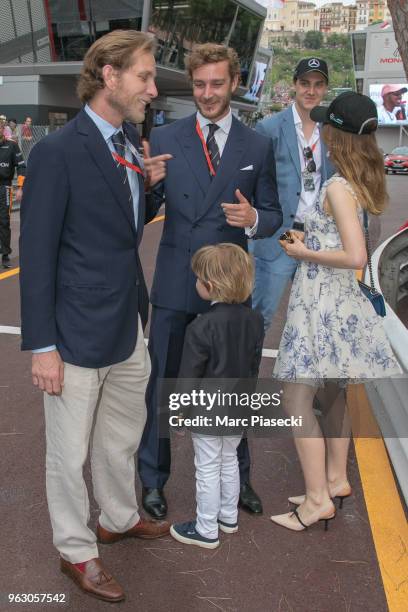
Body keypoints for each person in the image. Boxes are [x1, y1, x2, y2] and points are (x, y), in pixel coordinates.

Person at [19, 30, 173, 603]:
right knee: (69, 452)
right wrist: (42, 346)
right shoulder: (57, 152)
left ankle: (117, 515)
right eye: (144, 77)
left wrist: (149, 189)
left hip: (127, 325)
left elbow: (119, 228)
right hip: (74, 334)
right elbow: (36, 255)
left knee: (120, 437)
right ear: (109, 76)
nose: (152, 89)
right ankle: (77, 551)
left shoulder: (129, 143)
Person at [138, 43, 282, 520]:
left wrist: (254, 218)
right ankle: (154, 480)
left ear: (234, 83)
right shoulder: (164, 138)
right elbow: (141, 215)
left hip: (229, 291)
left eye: (217, 83)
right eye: (199, 84)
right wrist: (149, 188)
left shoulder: (257, 145)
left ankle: (237, 479)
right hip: (178, 282)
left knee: (235, 386)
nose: (207, 93)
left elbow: (274, 214)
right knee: (162, 384)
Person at [270, 92, 401, 531]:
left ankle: (315, 501)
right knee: (335, 391)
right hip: (343, 302)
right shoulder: (362, 181)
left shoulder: (337, 187)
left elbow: (355, 255)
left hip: (322, 301)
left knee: (295, 396)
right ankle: (335, 478)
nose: (321, 129)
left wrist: (304, 251)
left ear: (336, 135)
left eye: (327, 125)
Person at [170, 244, 264, 549]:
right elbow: (252, 367)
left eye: (198, 278)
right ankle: (227, 516)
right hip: (237, 406)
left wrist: (179, 411)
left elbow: (188, 377)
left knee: (207, 467)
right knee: (229, 460)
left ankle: (206, 528)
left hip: (207, 410)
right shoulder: (254, 321)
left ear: (209, 286)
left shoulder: (201, 326)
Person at [250, 58, 334, 331]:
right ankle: (245, 373)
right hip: (283, 235)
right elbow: (255, 185)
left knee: (312, 319)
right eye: (305, 83)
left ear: (325, 89)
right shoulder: (270, 128)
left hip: (316, 239)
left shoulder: (332, 131)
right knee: (260, 315)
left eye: (318, 85)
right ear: (294, 86)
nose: (311, 91)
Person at [0, 121, 25, 268]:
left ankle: (5, 254)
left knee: (4, 221)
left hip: (5, 187)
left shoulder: (11, 145)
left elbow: (22, 166)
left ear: (3, 129)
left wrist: (20, 187)